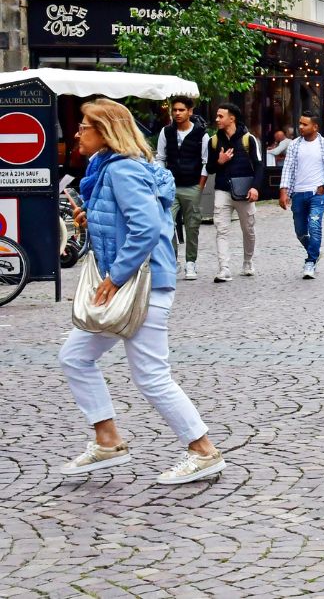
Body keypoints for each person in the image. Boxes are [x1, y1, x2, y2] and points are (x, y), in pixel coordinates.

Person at [58, 99, 224, 484]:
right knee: (75, 357)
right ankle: (107, 439)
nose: (77, 132)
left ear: (106, 131)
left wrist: (114, 278)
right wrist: (92, 216)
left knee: (151, 374)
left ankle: (203, 450)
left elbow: (147, 228)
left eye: (85, 126)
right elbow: (128, 219)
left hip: (141, 285)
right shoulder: (111, 171)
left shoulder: (122, 171)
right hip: (132, 284)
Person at [204, 102, 264, 283]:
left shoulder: (248, 139)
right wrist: (220, 161)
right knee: (221, 230)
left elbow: (259, 165)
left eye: (220, 116)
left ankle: (248, 262)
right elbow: (209, 168)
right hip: (222, 190)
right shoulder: (213, 141)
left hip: (245, 192)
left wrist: (255, 187)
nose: (217, 119)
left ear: (232, 118)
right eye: (217, 116)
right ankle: (224, 268)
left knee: (248, 230)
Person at [277, 114, 324, 280]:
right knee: (300, 230)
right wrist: (284, 192)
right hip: (298, 193)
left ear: (315, 127)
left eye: (305, 124)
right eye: (300, 123)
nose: (300, 127)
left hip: (317, 194)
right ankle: (315, 251)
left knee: (315, 226)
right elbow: (287, 169)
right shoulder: (295, 145)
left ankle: (310, 261)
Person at [154, 96, 206, 282]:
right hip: (170, 186)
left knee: (192, 226)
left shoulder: (201, 134)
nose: (177, 113)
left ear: (190, 111)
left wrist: (200, 186)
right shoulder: (166, 132)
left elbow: (205, 162)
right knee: (166, 224)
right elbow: (160, 157)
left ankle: (191, 262)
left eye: (181, 110)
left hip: (192, 185)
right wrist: (162, 179)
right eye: (174, 110)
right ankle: (171, 260)